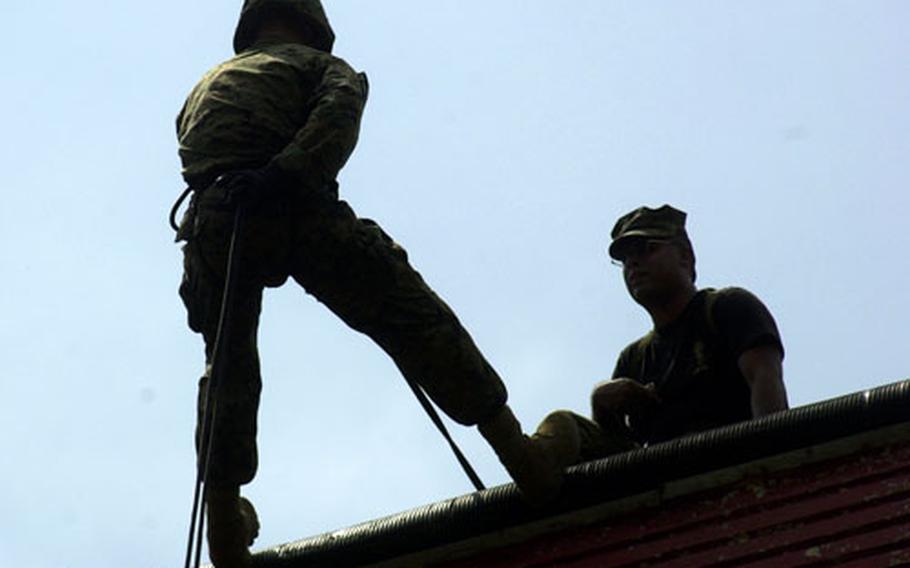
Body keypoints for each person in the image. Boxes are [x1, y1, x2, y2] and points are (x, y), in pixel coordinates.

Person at [174, 2, 557, 566]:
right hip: (294, 204)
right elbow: (334, 125)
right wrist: (280, 174)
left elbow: (193, 149)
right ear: (315, 27)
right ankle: (522, 458)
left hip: (213, 218)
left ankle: (224, 527)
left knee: (227, 365)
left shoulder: (205, 85)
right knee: (410, 314)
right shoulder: (324, 67)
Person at [530, 204, 788, 483]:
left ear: (685, 258)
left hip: (736, 473)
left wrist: (772, 469)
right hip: (668, 495)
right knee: (563, 433)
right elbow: (620, 456)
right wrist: (602, 410)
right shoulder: (634, 359)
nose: (634, 264)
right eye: (626, 259)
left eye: (647, 249)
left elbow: (765, 382)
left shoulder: (726, 309)